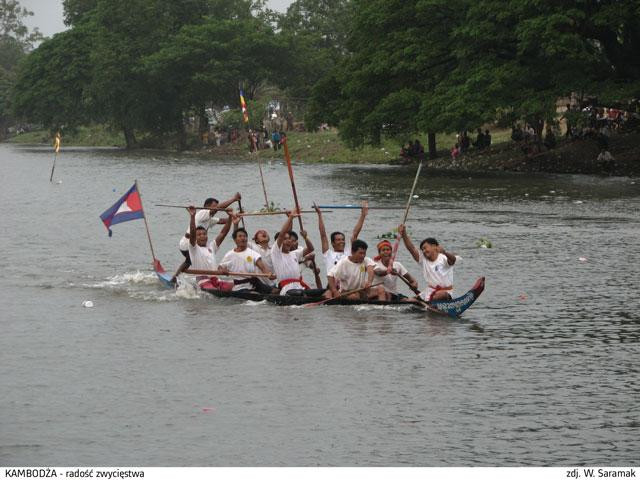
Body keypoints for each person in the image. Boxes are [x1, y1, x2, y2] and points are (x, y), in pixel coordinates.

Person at [171, 193, 241, 282]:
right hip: (186, 243)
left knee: (192, 261)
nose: (217, 208)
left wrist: (234, 216)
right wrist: (233, 199)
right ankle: (176, 277)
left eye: (217, 206)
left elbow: (224, 221)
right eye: (214, 206)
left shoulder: (209, 219)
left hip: (197, 243)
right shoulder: (202, 213)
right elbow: (217, 209)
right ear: (207, 206)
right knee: (190, 260)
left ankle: (180, 275)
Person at [398, 224, 460, 302]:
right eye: (422, 250)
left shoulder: (443, 257)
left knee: (440, 295)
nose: (423, 251)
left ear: (434, 246)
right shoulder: (423, 260)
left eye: (425, 248)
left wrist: (445, 252)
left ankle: (423, 302)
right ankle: (420, 302)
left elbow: (453, 260)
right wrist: (404, 234)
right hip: (429, 292)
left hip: (445, 293)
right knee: (405, 301)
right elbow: (412, 249)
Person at [271, 211, 324, 297]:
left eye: (289, 239)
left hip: (299, 287)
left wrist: (305, 237)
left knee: (324, 292)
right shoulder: (275, 253)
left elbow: (311, 249)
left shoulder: (295, 254)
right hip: (287, 289)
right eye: (285, 239)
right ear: (279, 242)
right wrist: (290, 218)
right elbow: (281, 234)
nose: (288, 241)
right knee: (300, 294)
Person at [185, 206, 234, 290]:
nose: (202, 236)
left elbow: (223, 233)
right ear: (195, 238)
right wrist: (193, 217)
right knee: (213, 290)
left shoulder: (211, 247)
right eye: (199, 235)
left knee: (235, 287)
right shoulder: (194, 248)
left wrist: (230, 217)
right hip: (203, 281)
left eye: (204, 234)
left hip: (216, 280)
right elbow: (192, 233)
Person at [313, 201, 368, 273]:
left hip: (346, 283)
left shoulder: (350, 252)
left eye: (343, 239)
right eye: (338, 240)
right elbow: (323, 235)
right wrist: (319, 215)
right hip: (333, 282)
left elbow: (355, 234)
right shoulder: (328, 254)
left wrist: (363, 215)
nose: (342, 242)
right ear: (332, 243)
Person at [219, 227, 275, 293]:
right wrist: (223, 270)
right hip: (239, 287)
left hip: (255, 284)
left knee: (276, 292)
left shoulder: (253, 253)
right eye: (240, 236)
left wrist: (269, 274)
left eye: (245, 236)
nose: (243, 238)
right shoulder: (229, 254)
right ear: (235, 240)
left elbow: (263, 268)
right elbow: (220, 267)